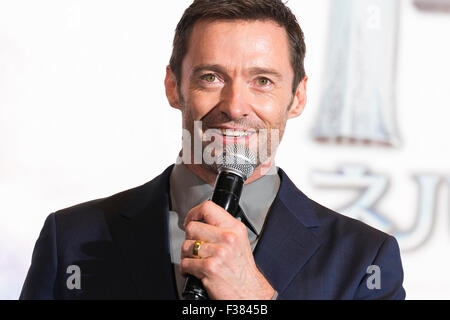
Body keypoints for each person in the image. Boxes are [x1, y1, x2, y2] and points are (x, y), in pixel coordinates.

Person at [20, 0, 406, 300]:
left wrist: (254, 297)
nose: (235, 105)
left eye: (263, 81)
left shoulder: (363, 260)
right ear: (174, 86)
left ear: (298, 96)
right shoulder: (70, 239)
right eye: (211, 77)